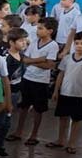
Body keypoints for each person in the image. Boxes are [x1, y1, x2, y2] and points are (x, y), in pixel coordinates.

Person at [8, 17, 58, 146]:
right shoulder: (34, 42)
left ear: (50, 31)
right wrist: (40, 59)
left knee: (38, 109)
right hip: (27, 78)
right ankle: (19, 131)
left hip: (41, 81)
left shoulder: (53, 45)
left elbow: (49, 65)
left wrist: (32, 61)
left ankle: (34, 134)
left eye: (41, 28)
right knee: (23, 106)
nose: (38, 30)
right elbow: (24, 59)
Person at [49, 31, 82, 154]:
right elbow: (60, 75)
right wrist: (56, 90)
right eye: (77, 43)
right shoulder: (66, 59)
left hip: (79, 95)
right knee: (63, 117)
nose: (79, 46)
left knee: (76, 120)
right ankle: (60, 140)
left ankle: (72, 143)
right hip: (65, 93)